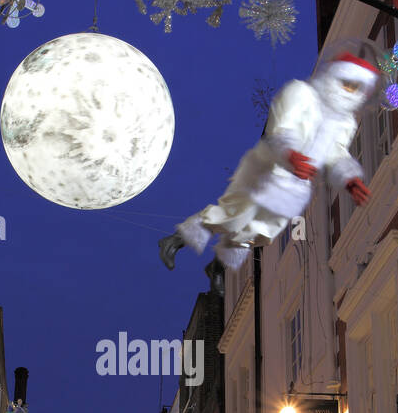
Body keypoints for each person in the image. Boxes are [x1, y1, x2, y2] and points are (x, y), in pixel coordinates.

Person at [159, 50, 378, 270]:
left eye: (355, 87)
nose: (349, 91)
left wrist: (349, 178)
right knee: (234, 215)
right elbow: (281, 129)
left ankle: (217, 270)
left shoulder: (344, 121)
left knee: (259, 232)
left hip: (295, 185)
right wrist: (291, 155)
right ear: (336, 76)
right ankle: (175, 241)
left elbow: (336, 152)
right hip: (268, 168)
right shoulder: (302, 93)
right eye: (347, 83)